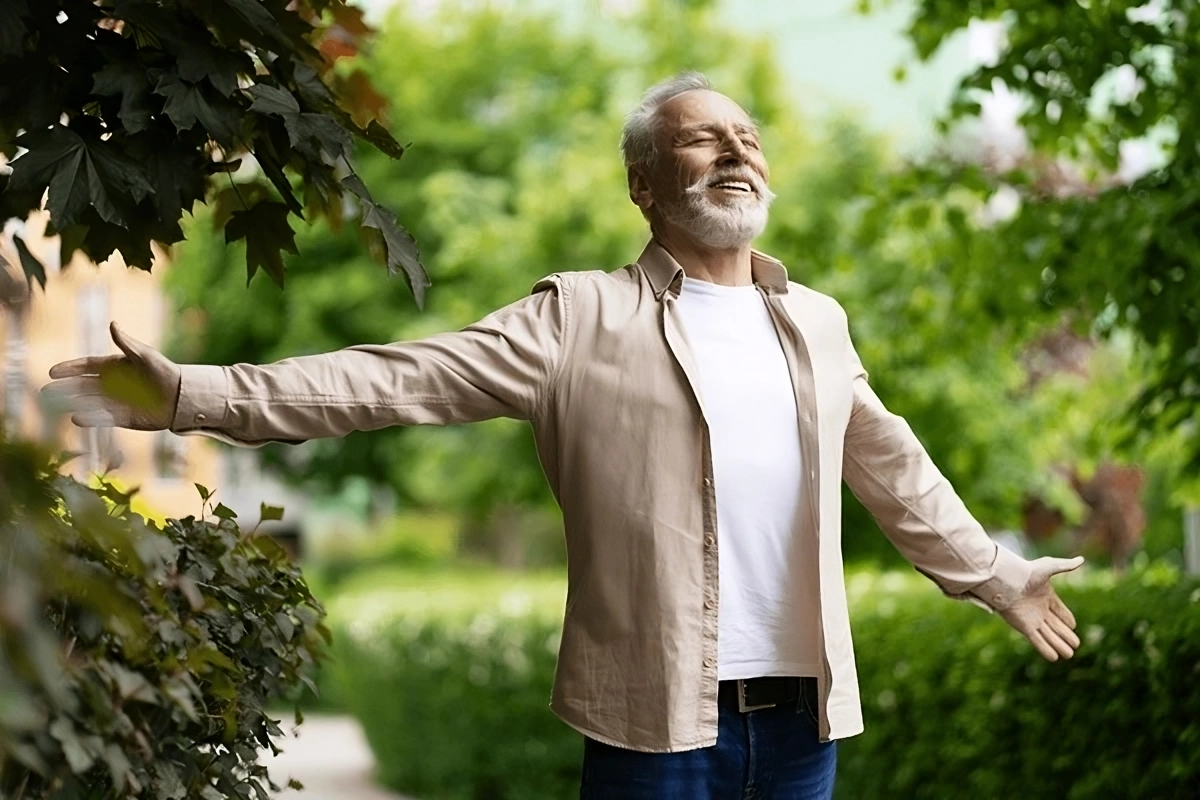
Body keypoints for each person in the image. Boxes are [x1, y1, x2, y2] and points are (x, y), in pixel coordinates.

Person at [45, 72, 1084, 800]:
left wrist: (995, 573)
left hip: (805, 724)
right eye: (701, 136)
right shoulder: (578, 316)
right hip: (653, 724)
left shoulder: (812, 318)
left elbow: (892, 464)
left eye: (749, 138)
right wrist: (192, 395)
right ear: (644, 182)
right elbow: (397, 379)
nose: (736, 151)